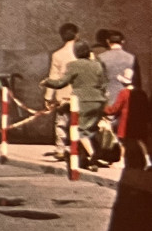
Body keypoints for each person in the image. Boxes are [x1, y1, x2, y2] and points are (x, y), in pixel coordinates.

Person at [43, 39, 108, 169]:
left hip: (82, 101)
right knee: (92, 129)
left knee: (79, 130)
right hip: (99, 100)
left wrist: (47, 82)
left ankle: (93, 155)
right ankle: (89, 158)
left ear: (76, 53)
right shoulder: (97, 64)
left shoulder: (74, 65)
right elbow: (104, 83)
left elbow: (61, 83)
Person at [44, 23, 79, 158]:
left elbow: (53, 77)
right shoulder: (81, 54)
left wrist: (48, 96)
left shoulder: (57, 55)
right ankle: (79, 148)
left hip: (63, 94)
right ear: (77, 35)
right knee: (79, 123)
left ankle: (60, 148)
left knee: (61, 123)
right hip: (79, 94)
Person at [104, 68, 151, 169]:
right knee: (141, 141)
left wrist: (104, 109)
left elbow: (115, 108)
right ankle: (148, 161)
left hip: (126, 123)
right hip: (139, 122)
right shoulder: (141, 93)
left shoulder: (123, 93)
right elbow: (146, 107)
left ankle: (122, 161)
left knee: (122, 142)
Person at [97, 30, 136, 106]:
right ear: (122, 41)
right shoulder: (131, 58)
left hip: (107, 95)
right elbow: (135, 79)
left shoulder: (101, 57)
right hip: (125, 95)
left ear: (108, 41)